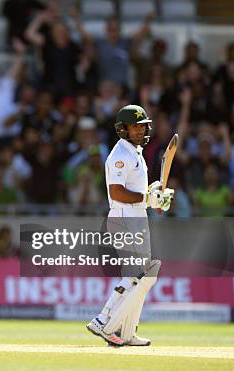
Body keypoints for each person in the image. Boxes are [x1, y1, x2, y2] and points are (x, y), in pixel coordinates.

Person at [85, 105, 174, 346]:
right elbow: (116, 192)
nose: (141, 130)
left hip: (135, 217)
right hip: (124, 217)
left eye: (143, 125)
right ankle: (103, 320)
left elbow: (137, 192)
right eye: (136, 126)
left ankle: (126, 333)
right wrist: (147, 198)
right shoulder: (119, 156)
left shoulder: (135, 152)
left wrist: (154, 195)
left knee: (139, 276)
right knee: (139, 276)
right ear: (122, 129)